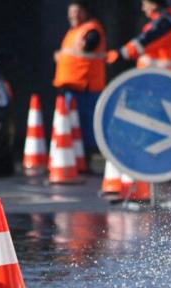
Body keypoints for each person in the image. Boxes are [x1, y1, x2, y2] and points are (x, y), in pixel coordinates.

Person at [53, 1, 106, 171]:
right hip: (72, 87)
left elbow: (90, 46)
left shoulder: (91, 29)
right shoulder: (73, 32)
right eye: (71, 11)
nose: (74, 15)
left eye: (77, 11)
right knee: (72, 125)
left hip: (85, 87)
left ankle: (86, 159)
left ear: (85, 12)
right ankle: (77, 159)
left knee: (84, 126)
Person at [106, 0, 171, 77]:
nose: (143, 8)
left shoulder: (165, 23)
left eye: (144, 4)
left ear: (153, 5)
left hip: (163, 79)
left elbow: (145, 41)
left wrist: (120, 53)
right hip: (166, 77)